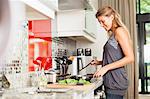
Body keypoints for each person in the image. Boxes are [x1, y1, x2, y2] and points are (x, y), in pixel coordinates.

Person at [91, 6, 134, 99]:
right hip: (111, 81)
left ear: (111, 17)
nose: (101, 25)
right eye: (99, 22)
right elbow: (115, 57)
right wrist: (99, 62)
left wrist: (105, 68)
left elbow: (130, 57)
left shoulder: (120, 31)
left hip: (116, 82)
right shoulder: (113, 34)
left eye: (103, 21)